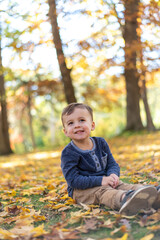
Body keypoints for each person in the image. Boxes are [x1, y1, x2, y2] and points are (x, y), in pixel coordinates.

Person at [61, 103, 160, 216]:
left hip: (106, 181)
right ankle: (126, 199)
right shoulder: (68, 152)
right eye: (71, 123)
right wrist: (101, 180)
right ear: (66, 131)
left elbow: (112, 163)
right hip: (81, 190)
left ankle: (152, 194)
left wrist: (113, 174)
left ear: (92, 125)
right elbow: (73, 180)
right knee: (104, 192)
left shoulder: (101, 143)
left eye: (82, 120)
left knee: (124, 186)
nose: (77, 125)